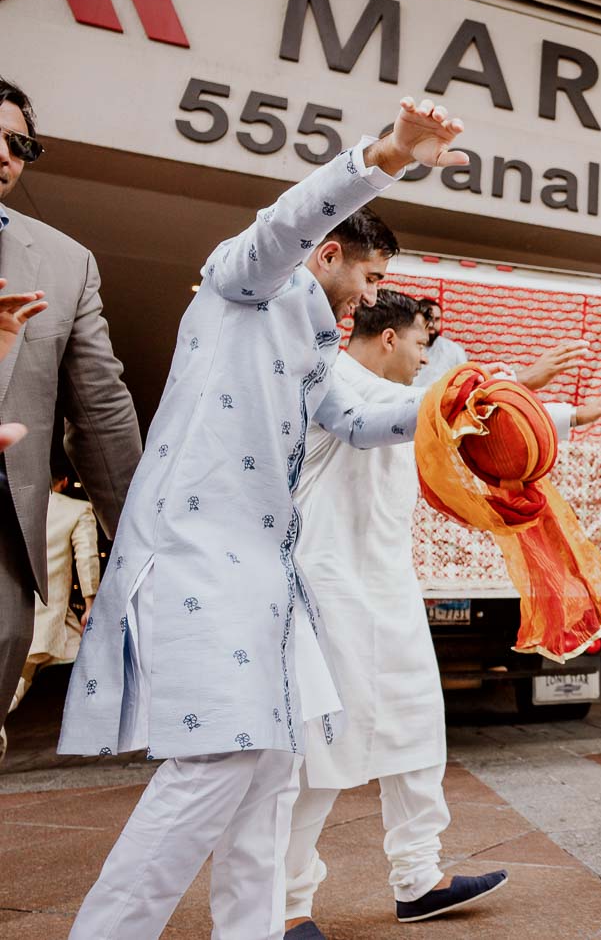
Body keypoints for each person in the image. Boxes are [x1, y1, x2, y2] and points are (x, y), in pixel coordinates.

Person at [57, 97, 485, 940]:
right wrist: (387, 154)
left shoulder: (314, 341)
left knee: (274, 773)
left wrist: (455, 409)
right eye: (366, 277)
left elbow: (363, 423)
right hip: (196, 557)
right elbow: (285, 221)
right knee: (215, 767)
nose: (370, 298)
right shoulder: (246, 278)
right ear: (328, 254)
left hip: (267, 577)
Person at [280, 291, 601, 938]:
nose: (424, 360)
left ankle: (418, 877)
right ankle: (287, 902)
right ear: (387, 339)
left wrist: (558, 413)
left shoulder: (403, 401)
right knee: (325, 750)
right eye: (419, 346)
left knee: (415, 731)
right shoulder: (332, 382)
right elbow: (432, 410)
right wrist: (520, 384)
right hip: (329, 589)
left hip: (388, 586)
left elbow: (464, 429)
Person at [0, 76, 141, 757]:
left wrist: (141, 539)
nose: (5, 153)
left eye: (19, 141)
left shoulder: (65, 263)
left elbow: (101, 414)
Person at [9, 469, 99, 713]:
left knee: (15, 676)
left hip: (12, 611)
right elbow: (87, 556)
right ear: (65, 481)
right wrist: (90, 603)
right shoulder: (77, 510)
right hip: (46, 615)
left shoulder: (14, 509)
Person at [410, 297, 470, 388]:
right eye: (428, 319)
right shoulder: (406, 347)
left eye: (437, 319)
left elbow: (466, 380)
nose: (432, 324)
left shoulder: (454, 350)